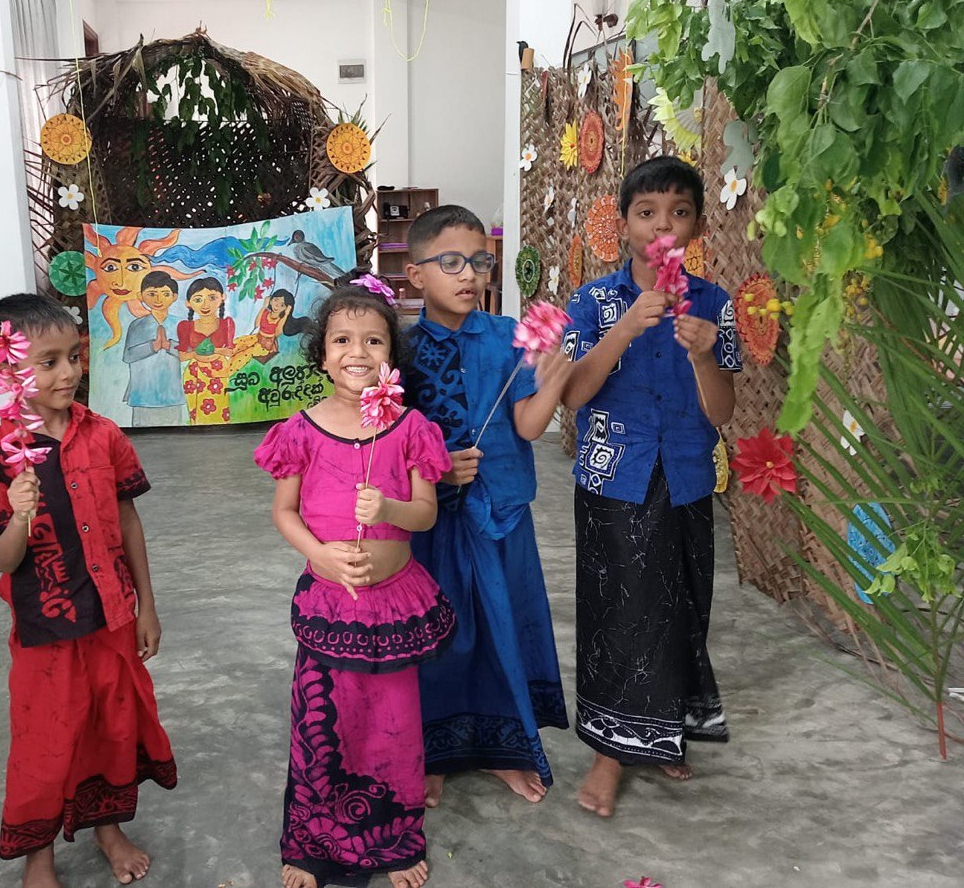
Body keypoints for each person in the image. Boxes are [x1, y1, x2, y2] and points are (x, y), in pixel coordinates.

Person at [254, 275, 456, 888]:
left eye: (373, 340)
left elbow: (425, 512)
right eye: (342, 339)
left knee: (391, 720)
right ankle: (312, 842)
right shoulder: (301, 431)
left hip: (392, 606)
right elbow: (284, 512)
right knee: (323, 723)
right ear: (321, 353)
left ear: (391, 356)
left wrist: (388, 510)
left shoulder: (411, 428)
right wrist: (324, 556)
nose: (357, 353)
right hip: (330, 604)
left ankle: (393, 839)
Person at [0, 294, 176, 886]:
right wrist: (17, 514)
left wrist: (147, 606)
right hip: (45, 630)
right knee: (46, 739)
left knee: (111, 726)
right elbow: (3, 561)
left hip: (111, 615)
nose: (68, 373)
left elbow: (128, 520)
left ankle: (107, 828)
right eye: (48, 361)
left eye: (73, 357)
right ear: (6, 371)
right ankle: (40, 855)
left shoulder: (104, 435)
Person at [561, 156, 741, 818]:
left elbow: (721, 411)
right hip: (614, 479)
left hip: (688, 475)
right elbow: (575, 394)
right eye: (647, 212)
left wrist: (700, 352)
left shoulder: (714, 306)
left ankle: (661, 729)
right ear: (626, 222)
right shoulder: (594, 302)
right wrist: (626, 327)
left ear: (695, 222)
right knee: (619, 614)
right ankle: (610, 751)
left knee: (683, 608)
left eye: (679, 211)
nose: (663, 224)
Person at [401, 205, 572, 808]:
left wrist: (552, 374)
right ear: (416, 273)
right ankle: (433, 753)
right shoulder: (396, 348)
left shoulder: (507, 338)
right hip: (427, 520)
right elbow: (377, 439)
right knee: (438, 633)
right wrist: (435, 468)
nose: (469, 274)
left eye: (479, 262)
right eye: (451, 262)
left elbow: (526, 426)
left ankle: (503, 751)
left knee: (503, 629)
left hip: (499, 512)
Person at [122, 271, 187, 426]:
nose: (158, 299)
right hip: (143, 394)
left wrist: (169, 346)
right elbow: (127, 356)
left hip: (171, 393)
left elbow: (188, 354)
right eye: (152, 294)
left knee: (174, 433)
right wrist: (153, 346)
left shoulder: (180, 324)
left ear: (174, 296)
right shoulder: (137, 325)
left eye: (165, 294)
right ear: (141, 296)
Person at [175, 276, 236, 424]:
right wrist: (197, 353)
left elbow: (230, 352)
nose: (205, 304)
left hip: (219, 373)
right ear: (188, 303)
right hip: (194, 375)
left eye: (211, 297)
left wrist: (213, 350)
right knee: (196, 415)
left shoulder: (226, 324)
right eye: (198, 299)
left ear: (222, 298)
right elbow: (182, 356)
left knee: (219, 412)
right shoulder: (185, 326)